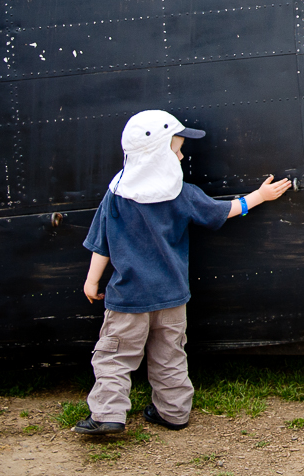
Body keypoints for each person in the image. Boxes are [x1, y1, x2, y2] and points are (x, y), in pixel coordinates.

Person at [72, 110, 292, 435]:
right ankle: (173, 412)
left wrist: (92, 282)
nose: (182, 155)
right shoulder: (182, 194)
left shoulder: (117, 196)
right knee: (169, 356)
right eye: (176, 150)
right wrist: (258, 197)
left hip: (128, 298)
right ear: (156, 156)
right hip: (172, 297)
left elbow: (100, 244)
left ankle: (107, 415)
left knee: (115, 357)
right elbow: (224, 211)